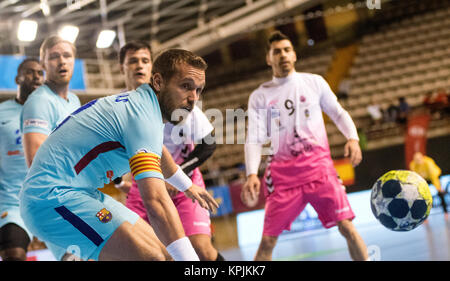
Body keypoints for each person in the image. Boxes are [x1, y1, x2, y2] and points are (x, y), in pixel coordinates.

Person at [19, 49, 218, 261]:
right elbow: (156, 201)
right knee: (153, 258)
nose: (193, 99)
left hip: (80, 193)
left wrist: (186, 185)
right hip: (50, 198)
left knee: (166, 255)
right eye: (186, 86)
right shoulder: (143, 117)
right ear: (158, 82)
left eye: (198, 90)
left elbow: (158, 151)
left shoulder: (143, 106)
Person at [242, 31, 368, 261]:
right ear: (268, 59)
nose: (283, 55)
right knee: (268, 241)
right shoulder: (259, 97)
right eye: (277, 51)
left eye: (287, 50)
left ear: (295, 55)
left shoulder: (314, 82)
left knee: (347, 228)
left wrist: (353, 138)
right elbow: (254, 138)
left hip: (320, 172)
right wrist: (251, 173)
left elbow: (338, 113)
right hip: (283, 179)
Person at [116, 41, 224, 261]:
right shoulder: (121, 106)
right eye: (133, 61)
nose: (139, 65)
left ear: (153, 70)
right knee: (145, 252)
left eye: (145, 60)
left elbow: (209, 143)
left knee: (199, 248)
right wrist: (119, 183)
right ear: (122, 68)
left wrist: (178, 180)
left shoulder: (178, 97)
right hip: (147, 182)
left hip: (182, 179)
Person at [19, 35, 82, 261]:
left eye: (67, 56)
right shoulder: (39, 102)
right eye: (54, 57)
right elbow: (36, 163)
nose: (62, 61)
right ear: (44, 64)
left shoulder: (74, 101)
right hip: (56, 201)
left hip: (79, 194)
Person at [0, 58, 44, 261]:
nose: (36, 76)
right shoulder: (2, 112)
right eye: (30, 72)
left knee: (75, 255)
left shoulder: (50, 112)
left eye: (40, 73)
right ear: (18, 78)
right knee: (13, 254)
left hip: (47, 198)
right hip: (11, 201)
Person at [409, 152, 447, 217]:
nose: (418, 161)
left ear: (423, 158)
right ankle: (423, 215)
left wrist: (438, 187)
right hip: (424, 178)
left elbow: (433, 176)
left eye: (419, 159)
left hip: (434, 176)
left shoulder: (428, 162)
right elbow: (415, 178)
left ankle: (445, 211)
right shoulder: (412, 165)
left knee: (440, 193)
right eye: (416, 160)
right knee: (420, 196)